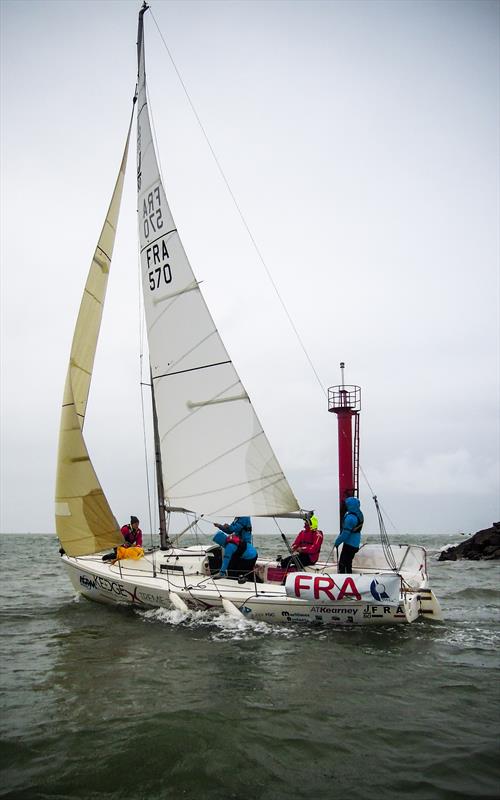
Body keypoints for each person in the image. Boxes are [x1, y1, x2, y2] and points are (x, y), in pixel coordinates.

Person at [334, 496, 364, 573]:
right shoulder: (359, 514)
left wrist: (337, 542)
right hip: (355, 544)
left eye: (346, 504)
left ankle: (343, 581)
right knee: (348, 563)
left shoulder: (350, 518)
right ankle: (349, 578)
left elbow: (345, 534)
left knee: (342, 565)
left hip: (349, 545)